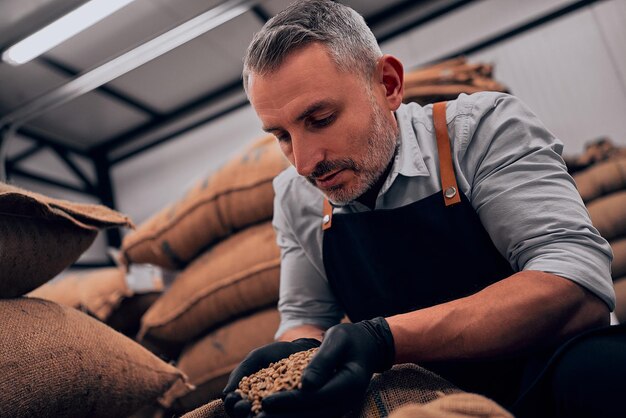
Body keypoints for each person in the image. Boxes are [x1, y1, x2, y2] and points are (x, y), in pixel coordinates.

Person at [222, 1, 625, 417]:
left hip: (549, 376)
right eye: (281, 136)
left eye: (321, 119)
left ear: (389, 85)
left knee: (601, 373)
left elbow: (575, 285)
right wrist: (299, 356)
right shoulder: (295, 196)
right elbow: (306, 315)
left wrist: (384, 340)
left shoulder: (481, 131)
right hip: (425, 397)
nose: (305, 163)